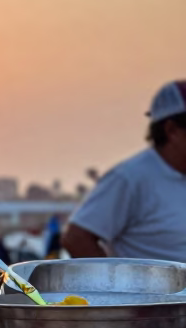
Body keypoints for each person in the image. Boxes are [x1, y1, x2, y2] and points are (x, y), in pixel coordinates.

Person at [63, 81, 186, 261]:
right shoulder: (130, 179)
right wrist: (113, 284)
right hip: (159, 289)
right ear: (172, 130)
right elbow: (77, 238)